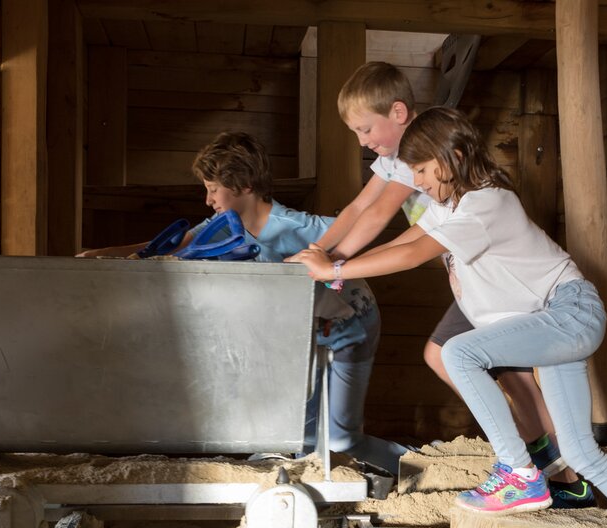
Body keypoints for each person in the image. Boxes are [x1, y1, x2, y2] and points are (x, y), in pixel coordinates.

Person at [290, 107, 607, 513]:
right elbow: (402, 242)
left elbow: (412, 255)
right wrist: (335, 269)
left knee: (458, 352)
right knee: (584, 455)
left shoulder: (487, 203)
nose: (417, 182)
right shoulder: (450, 206)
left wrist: (336, 267)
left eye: (424, 171)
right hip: (551, 322)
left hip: (569, 312)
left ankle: (518, 472)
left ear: (456, 157)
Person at [79, 132, 408, 474]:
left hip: (349, 329)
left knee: (340, 439)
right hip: (300, 339)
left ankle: (418, 464)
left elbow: (360, 236)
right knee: (297, 434)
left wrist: (332, 272)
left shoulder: (301, 227)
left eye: (213, 189)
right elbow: (174, 245)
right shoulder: (220, 228)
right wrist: (103, 255)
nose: (208, 200)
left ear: (244, 185)